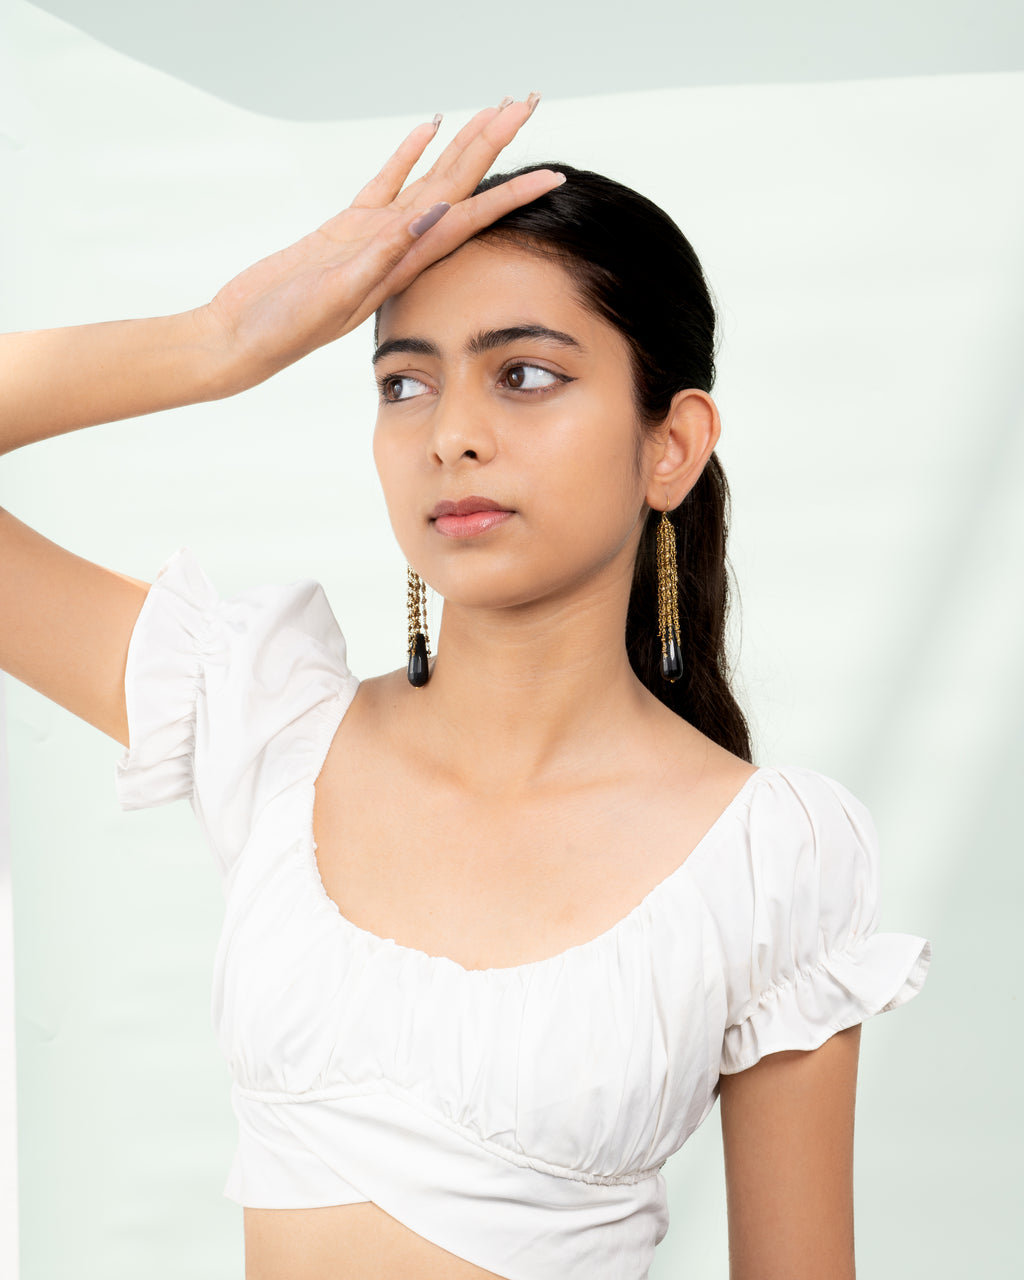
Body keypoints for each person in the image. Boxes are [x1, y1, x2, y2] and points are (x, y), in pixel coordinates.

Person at [0, 95, 930, 1279]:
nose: (452, 434)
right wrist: (220, 336)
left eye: (526, 375)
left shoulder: (765, 854)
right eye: (404, 383)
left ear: (671, 446)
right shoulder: (270, 721)